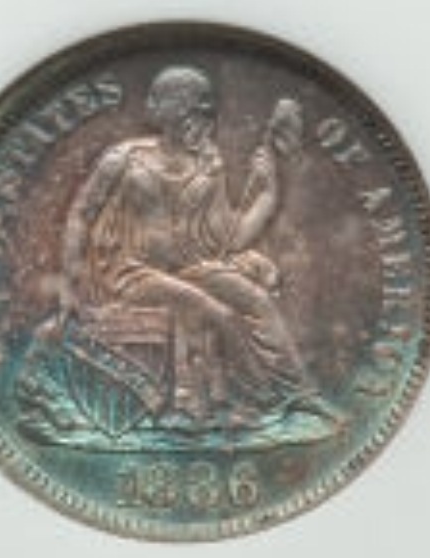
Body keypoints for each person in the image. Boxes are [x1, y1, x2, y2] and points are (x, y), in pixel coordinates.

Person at [62, 66, 323, 428]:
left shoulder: (207, 162)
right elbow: (81, 214)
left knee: (256, 299)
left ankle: (302, 395)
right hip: (127, 273)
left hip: (188, 267)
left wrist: (267, 192)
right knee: (213, 310)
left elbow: (230, 239)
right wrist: (70, 284)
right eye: (197, 105)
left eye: (203, 107)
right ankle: (261, 399)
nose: (204, 114)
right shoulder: (123, 159)